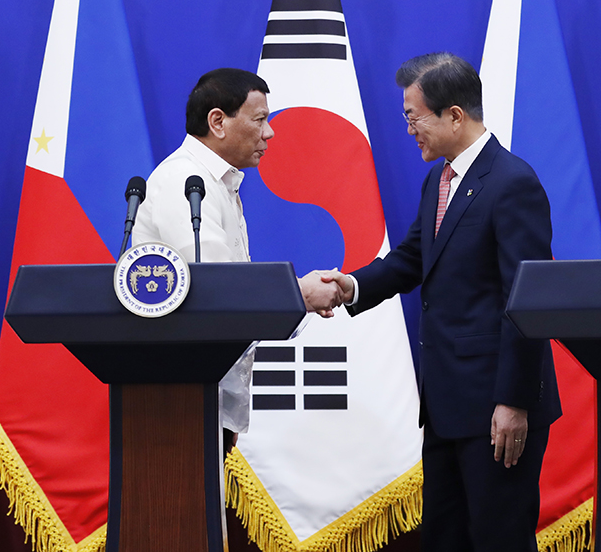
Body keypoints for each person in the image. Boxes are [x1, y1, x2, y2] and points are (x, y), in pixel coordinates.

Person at [307, 53, 561, 552]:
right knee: (446, 537)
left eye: (412, 117)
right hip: (446, 405)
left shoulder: (512, 183)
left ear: (455, 115)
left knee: (498, 538)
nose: (408, 130)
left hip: (496, 408)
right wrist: (349, 287)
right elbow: (412, 259)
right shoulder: (439, 179)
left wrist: (513, 401)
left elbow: (526, 300)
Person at [132, 67, 332, 443]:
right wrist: (300, 295)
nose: (269, 133)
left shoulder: (214, 183)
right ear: (218, 121)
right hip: (180, 396)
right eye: (260, 120)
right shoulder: (184, 182)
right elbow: (217, 290)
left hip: (206, 392)